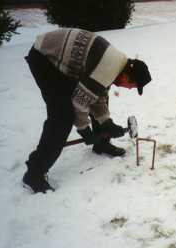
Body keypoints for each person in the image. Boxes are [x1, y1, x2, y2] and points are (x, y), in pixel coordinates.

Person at [22, 28, 152, 194]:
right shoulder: (108, 68)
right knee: (62, 116)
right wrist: (84, 130)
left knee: (92, 95)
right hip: (46, 58)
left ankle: (101, 144)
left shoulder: (117, 65)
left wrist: (106, 122)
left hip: (65, 61)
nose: (129, 88)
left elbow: (98, 96)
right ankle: (34, 174)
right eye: (132, 86)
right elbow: (80, 102)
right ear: (128, 77)